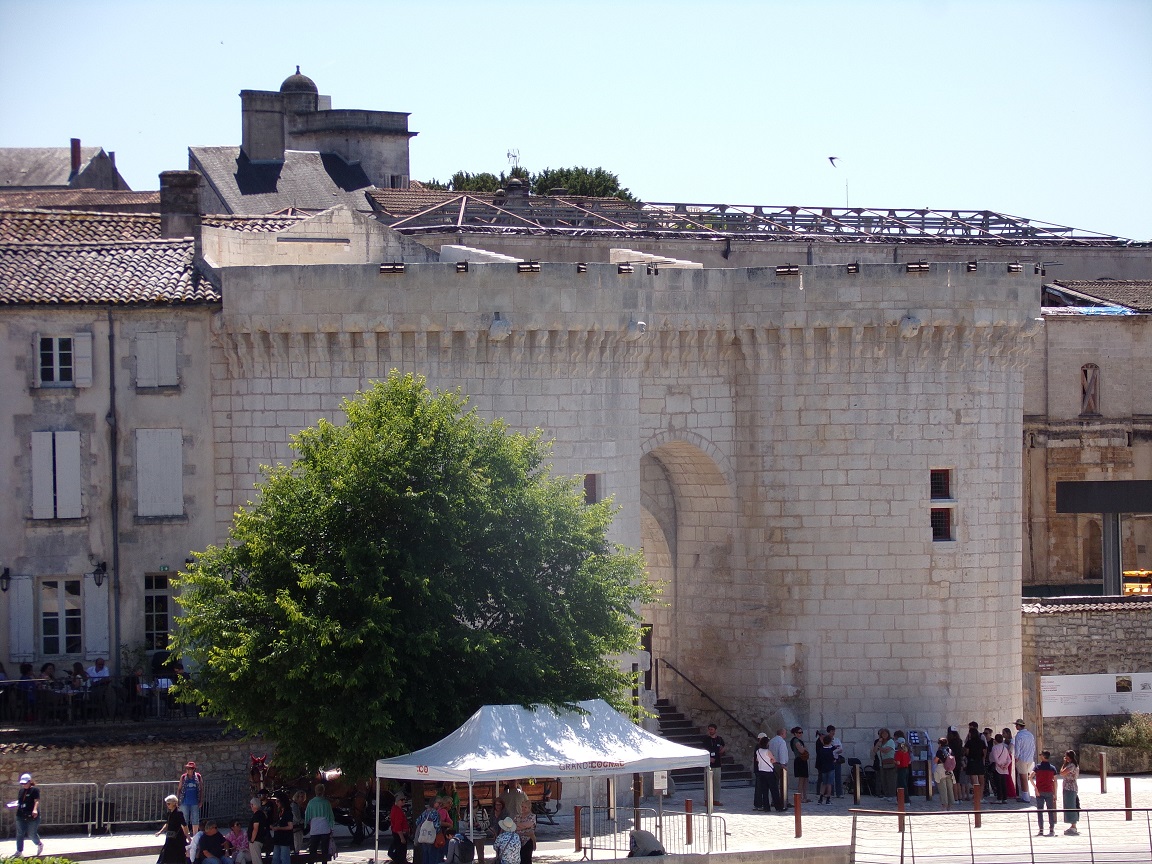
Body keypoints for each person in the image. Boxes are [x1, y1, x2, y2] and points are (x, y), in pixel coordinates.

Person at [304, 783, 335, 864]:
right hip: (325, 828)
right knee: (325, 850)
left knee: (313, 849)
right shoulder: (326, 802)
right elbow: (330, 816)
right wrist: (331, 827)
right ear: (323, 791)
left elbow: (307, 815)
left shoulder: (311, 802)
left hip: (314, 828)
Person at [15, 772, 43, 858]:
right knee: (20, 833)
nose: (24, 785)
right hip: (21, 814)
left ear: (30, 781)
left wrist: (35, 810)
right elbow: (20, 801)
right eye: (22, 783)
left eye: (25, 783)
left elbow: (36, 801)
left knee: (31, 833)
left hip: (32, 815)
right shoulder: (21, 791)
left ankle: (39, 844)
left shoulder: (34, 790)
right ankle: (19, 851)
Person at [157, 793, 190, 863]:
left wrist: (187, 835)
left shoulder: (179, 813)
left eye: (169, 803)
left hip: (177, 837)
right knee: (166, 852)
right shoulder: (169, 813)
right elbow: (167, 824)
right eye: (167, 804)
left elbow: (184, 825)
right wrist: (160, 831)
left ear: (174, 803)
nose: (167, 805)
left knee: (177, 853)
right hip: (170, 836)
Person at [1032, 751, 1058, 837]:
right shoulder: (1052, 768)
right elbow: (1055, 781)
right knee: (1050, 810)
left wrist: (1035, 787)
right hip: (1049, 791)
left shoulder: (1037, 767)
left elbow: (1030, 777)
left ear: (1043, 757)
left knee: (1040, 811)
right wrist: (1055, 793)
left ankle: (1041, 830)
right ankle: (1051, 829)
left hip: (1039, 791)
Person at [702, 724, 726, 806]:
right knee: (707, 783)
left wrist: (722, 750)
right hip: (708, 764)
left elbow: (724, 746)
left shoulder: (719, 739)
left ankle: (716, 800)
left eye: (712, 729)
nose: (710, 731)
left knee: (717, 783)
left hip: (717, 763)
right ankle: (707, 800)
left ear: (715, 730)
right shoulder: (706, 739)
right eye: (709, 729)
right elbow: (703, 750)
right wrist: (709, 758)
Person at [1014, 719, 1037, 804]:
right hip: (1030, 758)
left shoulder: (1019, 736)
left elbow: (1017, 748)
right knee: (1025, 777)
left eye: (1016, 725)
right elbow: (1033, 747)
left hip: (1022, 758)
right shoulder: (1030, 735)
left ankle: (1026, 797)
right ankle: (1025, 794)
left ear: (1019, 726)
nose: (1016, 726)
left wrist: (1016, 757)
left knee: (1023, 778)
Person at [179, 760, 205, 834]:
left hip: (195, 801)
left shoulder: (198, 777)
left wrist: (201, 801)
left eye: (191, 769)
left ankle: (195, 835)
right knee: (184, 819)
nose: (189, 770)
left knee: (195, 819)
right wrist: (178, 800)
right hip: (184, 801)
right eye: (188, 769)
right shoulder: (183, 777)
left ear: (194, 769)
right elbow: (179, 789)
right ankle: (184, 835)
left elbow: (201, 789)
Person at [413, 798, 443, 864]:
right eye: (439, 803)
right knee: (432, 857)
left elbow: (417, 822)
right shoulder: (435, 813)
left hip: (424, 837)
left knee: (425, 856)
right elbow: (437, 826)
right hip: (432, 837)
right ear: (434, 803)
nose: (440, 805)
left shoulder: (425, 812)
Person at [768, 729, 790, 810]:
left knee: (774, 784)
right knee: (784, 784)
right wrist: (783, 764)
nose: (786, 734)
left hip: (772, 764)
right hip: (779, 764)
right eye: (785, 733)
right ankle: (784, 801)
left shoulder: (772, 741)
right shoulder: (781, 742)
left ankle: (774, 800)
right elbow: (782, 753)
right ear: (782, 733)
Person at [752, 734, 775, 811]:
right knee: (762, 788)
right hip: (763, 770)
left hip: (760, 770)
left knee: (761, 789)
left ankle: (761, 805)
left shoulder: (757, 748)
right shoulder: (761, 748)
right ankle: (760, 804)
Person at [1060, 750, 1080, 835]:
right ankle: (1072, 825)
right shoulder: (1072, 765)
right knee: (1069, 805)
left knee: (1071, 805)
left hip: (1070, 788)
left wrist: (1064, 763)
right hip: (1068, 787)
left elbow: (1062, 773)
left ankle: (1073, 825)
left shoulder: (1072, 765)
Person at [964, 723, 986, 800]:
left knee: (974, 782)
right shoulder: (981, 742)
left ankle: (976, 797)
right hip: (979, 762)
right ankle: (981, 797)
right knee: (982, 781)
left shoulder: (969, 743)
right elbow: (984, 752)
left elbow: (966, 752)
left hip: (972, 762)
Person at [872, 728, 895, 801]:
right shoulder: (880, 742)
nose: (884, 735)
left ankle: (892, 795)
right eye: (883, 734)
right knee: (883, 780)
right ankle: (886, 794)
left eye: (886, 734)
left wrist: (880, 748)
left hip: (889, 763)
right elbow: (875, 750)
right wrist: (879, 743)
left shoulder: (890, 741)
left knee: (890, 779)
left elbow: (886, 750)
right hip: (882, 763)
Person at [932, 740, 955, 811]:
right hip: (949, 770)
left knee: (943, 788)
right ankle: (950, 805)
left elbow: (935, 761)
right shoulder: (950, 750)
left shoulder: (940, 751)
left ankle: (944, 805)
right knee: (950, 788)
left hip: (941, 769)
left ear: (940, 744)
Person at [789, 727, 811, 803]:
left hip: (802, 760)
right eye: (799, 732)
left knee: (805, 779)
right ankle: (800, 797)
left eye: (801, 732)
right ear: (795, 733)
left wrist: (804, 748)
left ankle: (805, 796)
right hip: (799, 760)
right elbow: (801, 750)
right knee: (801, 779)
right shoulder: (795, 741)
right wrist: (804, 748)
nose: (800, 734)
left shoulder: (799, 741)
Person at [389, 791, 411, 864]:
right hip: (400, 834)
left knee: (399, 852)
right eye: (402, 800)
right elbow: (398, 825)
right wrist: (402, 837)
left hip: (397, 833)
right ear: (397, 801)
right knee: (401, 854)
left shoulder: (395, 808)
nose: (404, 801)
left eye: (404, 799)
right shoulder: (397, 811)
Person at [270, 798, 294, 864]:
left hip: (285, 839)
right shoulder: (279, 812)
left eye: (278, 801)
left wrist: (279, 828)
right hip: (278, 839)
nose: (276, 803)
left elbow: (290, 826)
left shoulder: (288, 813)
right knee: (275, 858)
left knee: (284, 858)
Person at [815, 733, 836, 805]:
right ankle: (828, 799)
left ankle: (820, 799)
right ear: (830, 742)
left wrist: (834, 747)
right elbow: (832, 758)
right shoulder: (829, 751)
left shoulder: (821, 750)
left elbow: (827, 750)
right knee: (829, 784)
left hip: (823, 768)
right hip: (830, 768)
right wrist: (835, 760)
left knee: (824, 783)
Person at [990, 733, 1012, 803]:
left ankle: (999, 798)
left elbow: (996, 759)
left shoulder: (994, 748)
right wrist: (1005, 766)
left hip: (997, 768)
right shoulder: (1004, 748)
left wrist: (1000, 765)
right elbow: (1009, 759)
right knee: (1003, 783)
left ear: (995, 740)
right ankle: (1004, 798)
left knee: (998, 783)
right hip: (1004, 769)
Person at [513, 798, 536, 864]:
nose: (523, 808)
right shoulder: (517, 816)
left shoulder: (532, 816)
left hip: (528, 840)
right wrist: (521, 827)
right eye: (522, 806)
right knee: (519, 859)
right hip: (517, 841)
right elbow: (513, 827)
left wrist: (518, 826)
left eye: (525, 807)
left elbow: (527, 825)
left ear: (529, 808)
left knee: (527, 859)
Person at [248, 797, 271, 864]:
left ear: (253, 805)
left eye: (251, 805)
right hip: (260, 839)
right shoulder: (261, 814)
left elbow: (255, 828)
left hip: (256, 840)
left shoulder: (257, 815)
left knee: (256, 860)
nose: (250, 806)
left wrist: (252, 840)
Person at [827, 725, 845, 798]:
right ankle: (830, 793)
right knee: (830, 777)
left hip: (837, 759)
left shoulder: (836, 739)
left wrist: (834, 751)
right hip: (830, 760)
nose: (833, 733)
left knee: (838, 776)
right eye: (832, 731)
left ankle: (839, 793)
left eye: (834, 731)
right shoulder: (827, 740)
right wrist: (834, 750)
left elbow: (840, 749)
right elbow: (828, 750)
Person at [290, 789, 308, 854]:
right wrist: (306, 822)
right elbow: (297, 818)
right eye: (301, 797)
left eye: (304, 797)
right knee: (297, 844)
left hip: (298, 827)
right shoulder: (294, 806)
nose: (303, 798)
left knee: (298, 844)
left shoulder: (298, 806)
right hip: (296, 827)